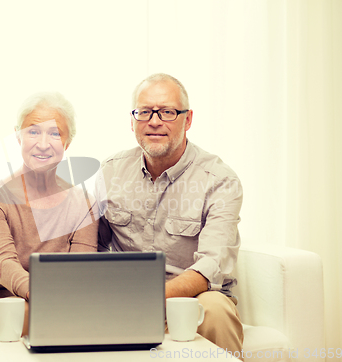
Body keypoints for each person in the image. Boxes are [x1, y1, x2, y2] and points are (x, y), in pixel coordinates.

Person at [97, 73, 244, 357]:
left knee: (216, 309)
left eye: (166, 112)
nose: (154, 121)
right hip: (125, 297)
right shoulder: (109, 172)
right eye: (144, 112)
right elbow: (92, 245)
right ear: (132, 121)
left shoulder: (220, 180)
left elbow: (212, 265)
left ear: (187, 120)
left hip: (194, 299)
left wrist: (150, 298)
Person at [0, 92, 99, 338]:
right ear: (18, 136)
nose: (43, 143)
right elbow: (3, 264)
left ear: (67, 142)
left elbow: (79, 272)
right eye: (33, 131)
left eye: (55, 133)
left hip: (56, 307)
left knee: (89, 312)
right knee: (30, 313)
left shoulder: (85, 203)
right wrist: (51, 299)